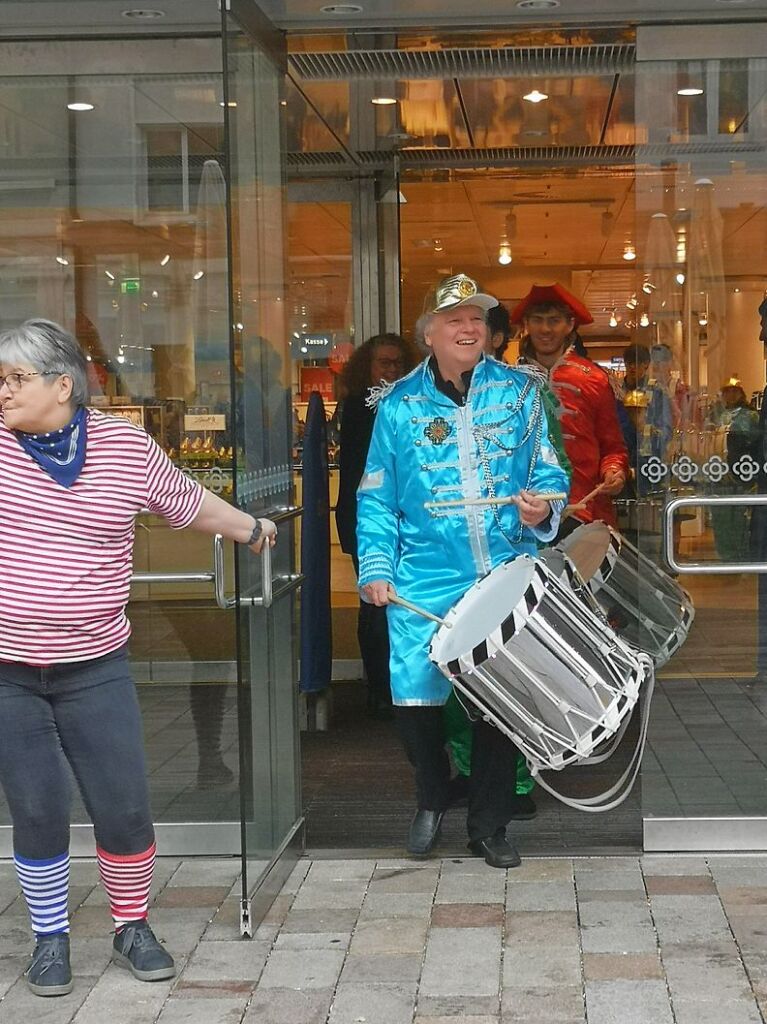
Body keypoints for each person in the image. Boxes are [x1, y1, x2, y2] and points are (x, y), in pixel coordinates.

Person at [0, 319, 278, 997]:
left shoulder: (125, 448)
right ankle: (50, 940)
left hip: (95, 666)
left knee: (123, 805)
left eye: (16, 379)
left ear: (62, 384)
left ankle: (131, 925)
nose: (2, 392)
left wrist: (250, 527)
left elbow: (183, 501)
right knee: (37, 808)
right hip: (8, 671)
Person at [356, 273, 569, 868]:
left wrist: (543, 503)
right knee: (414, 698)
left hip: (499, 568)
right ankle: (431, 797)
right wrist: (376, 566)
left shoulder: (520, 392)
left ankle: (490, 824)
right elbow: (376, 496)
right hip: (422, 572)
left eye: (476, 318)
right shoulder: (398, 405)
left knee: (496, 701)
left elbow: (550, 471)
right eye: (454, 319)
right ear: (430, 333)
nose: (469, 327)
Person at [336, 333, 420, 717]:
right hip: (366, 518)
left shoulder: (409, 403)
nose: (392, 370)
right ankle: (379, 688)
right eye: (384, 363)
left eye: (398, 363)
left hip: (405, 519)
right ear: (366, 369)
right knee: (374, 605)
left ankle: (398, 686)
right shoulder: (358, 408)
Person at [513, 283, 629, 532]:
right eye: (537, 320)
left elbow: (613, 446)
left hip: (585, 511)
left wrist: (614, 471)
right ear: (527, 324)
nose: (545, 329)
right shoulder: (508, 382)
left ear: (570, 325)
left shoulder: (595, 379)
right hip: (525, 514)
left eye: (554, 320)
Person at [709, 380, 760, 562]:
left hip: (741, 473)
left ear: (740, 393)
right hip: (718, 473)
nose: (729, 395)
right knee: (720, 516)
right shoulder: (717, 416)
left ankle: (740, 557)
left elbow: (754, 445)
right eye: (726, 392)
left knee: (740, 516)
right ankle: (725, 556)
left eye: (733, 391)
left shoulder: (751, 416)